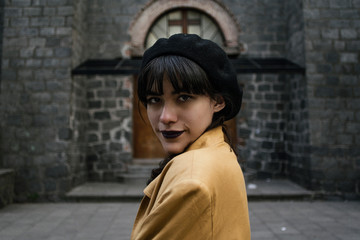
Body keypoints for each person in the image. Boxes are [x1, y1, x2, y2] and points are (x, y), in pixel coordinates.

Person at [131, 34, 250, 240]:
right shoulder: (220, 150)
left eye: (184, 97)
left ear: (218, 101)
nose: (166, 117)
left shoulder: (191, 183)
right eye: (154, 99)